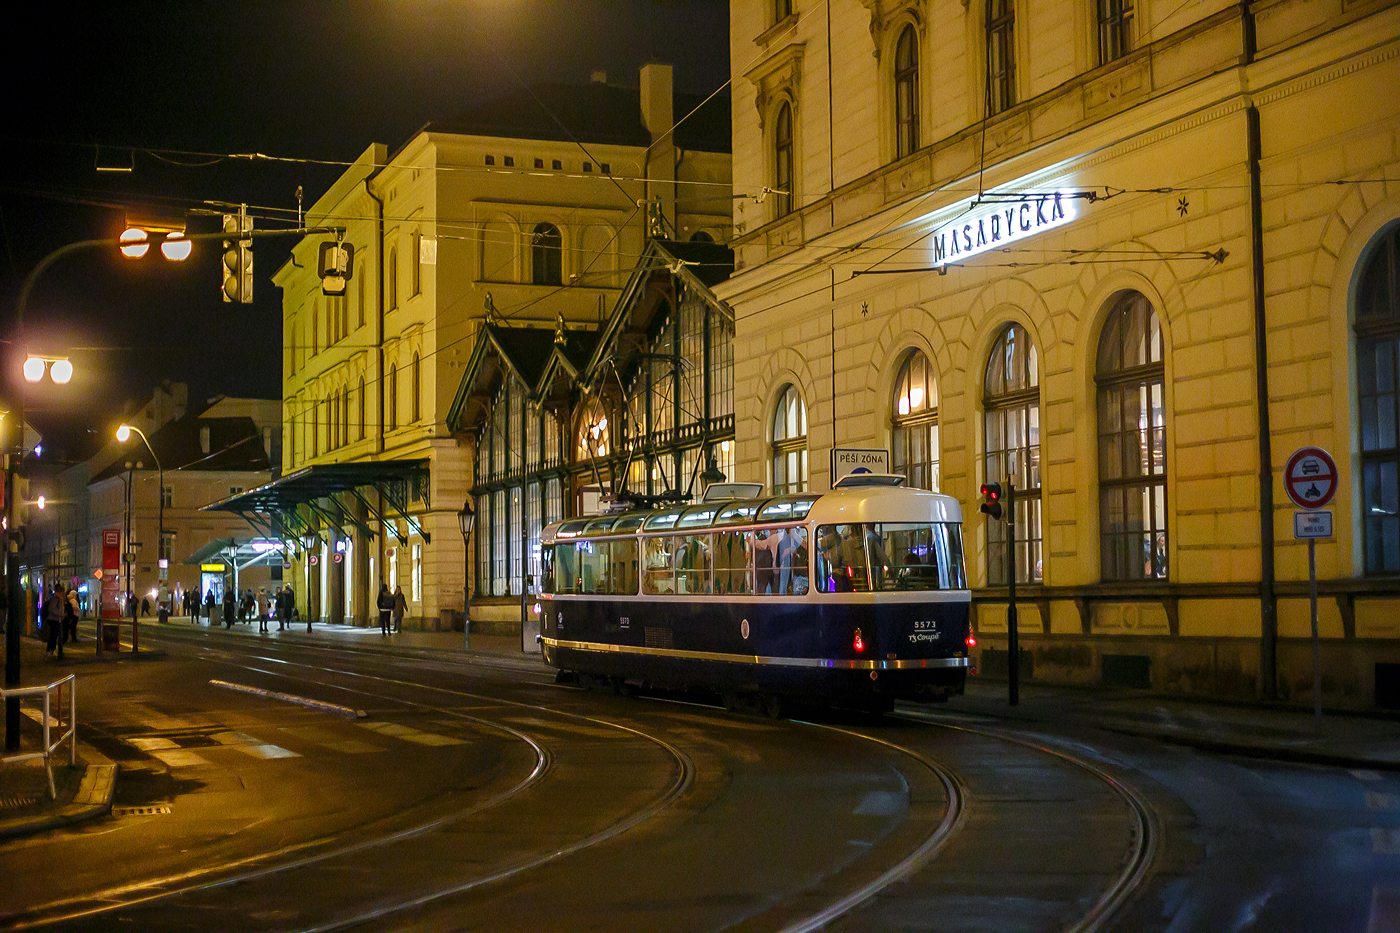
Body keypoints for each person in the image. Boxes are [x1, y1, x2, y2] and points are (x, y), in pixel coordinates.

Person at [44, 584, 66, 660]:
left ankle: (51, 650)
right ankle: (50, 650)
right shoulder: (55, 599)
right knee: (53, 635)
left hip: (56, 619)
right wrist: (60, 614)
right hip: (54, 619)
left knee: (54, 635)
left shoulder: (58, 598)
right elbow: (52, 609)